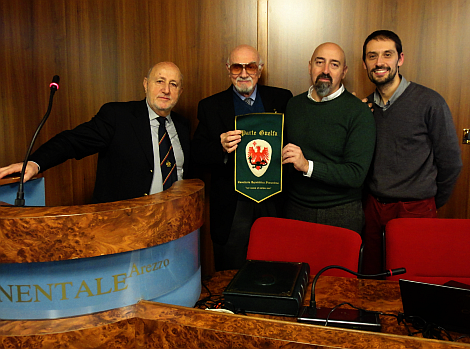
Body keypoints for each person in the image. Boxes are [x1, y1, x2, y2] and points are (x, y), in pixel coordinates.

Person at [0, 62, 190, 204]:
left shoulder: (182, 125)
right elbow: (72, 142)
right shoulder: (118, 117)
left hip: (172, 226)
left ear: (180, 91)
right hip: (123, 226)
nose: (166, 90)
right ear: (146, 84)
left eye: (173, 84)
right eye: (160, 81)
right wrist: (36, 163)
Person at [361, 30, 462, 274]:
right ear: (365, 63)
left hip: (416, 209)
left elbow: (451, 163)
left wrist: (429, 202)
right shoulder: (364, 108)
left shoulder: (429, 102)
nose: (379, 62)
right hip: (374, 208)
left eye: (387, 54)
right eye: (372, 56)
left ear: (400, 59)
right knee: (372, 280)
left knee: (413, 278)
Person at [192, 44, 292, 271]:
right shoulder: (210, 106)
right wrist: (221, 147)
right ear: (228, 69)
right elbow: (196, 154)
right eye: (237, 67)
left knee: (275, 267)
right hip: (233, 206)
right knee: (231, 271)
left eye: (251, 66)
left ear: (260, 69)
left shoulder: (282, 99)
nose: (244, 73)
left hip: (273, 201)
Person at [282, 42, 376, 234]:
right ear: (310, 66)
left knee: (337, 266)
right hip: (294, 210)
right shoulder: (293, 105)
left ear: (344, 72)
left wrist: (308, 166)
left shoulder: (358, 112)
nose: (325, 70)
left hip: (341, 213)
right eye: (319, 62)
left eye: (334, 64)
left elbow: (356, 174)